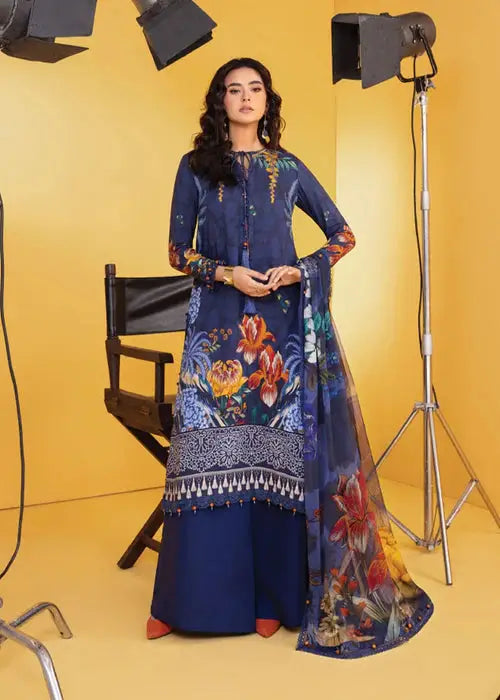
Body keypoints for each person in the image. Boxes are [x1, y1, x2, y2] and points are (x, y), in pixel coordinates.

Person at [147, 57, 434, 658]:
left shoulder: (289, 167)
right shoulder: (194, 167)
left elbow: (342, 234)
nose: (245, 98)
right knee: (202, 456)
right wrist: (224, 272)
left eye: (255, 89)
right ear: (220, 102)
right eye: (234, 90)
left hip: (279, 334)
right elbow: (177, 251)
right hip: (216, 333)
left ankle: (271, 600)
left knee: (274, 461)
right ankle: (185, 602)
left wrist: (299, 270)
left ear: (266, 101)